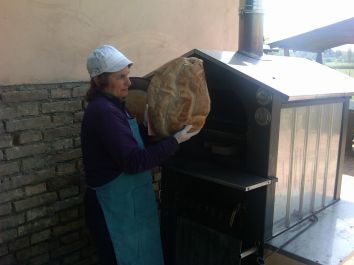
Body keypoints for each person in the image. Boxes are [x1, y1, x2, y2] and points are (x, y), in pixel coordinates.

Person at [81, 44, 199, 265]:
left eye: (128, 75)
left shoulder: (115, 106)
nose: (129, 82)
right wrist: (176, 141)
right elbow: (134, 161)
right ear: (99, 81)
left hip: (127, 204)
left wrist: (153, 129)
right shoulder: (103, 112)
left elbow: (132, 143)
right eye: (121, 77)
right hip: (113, 206)